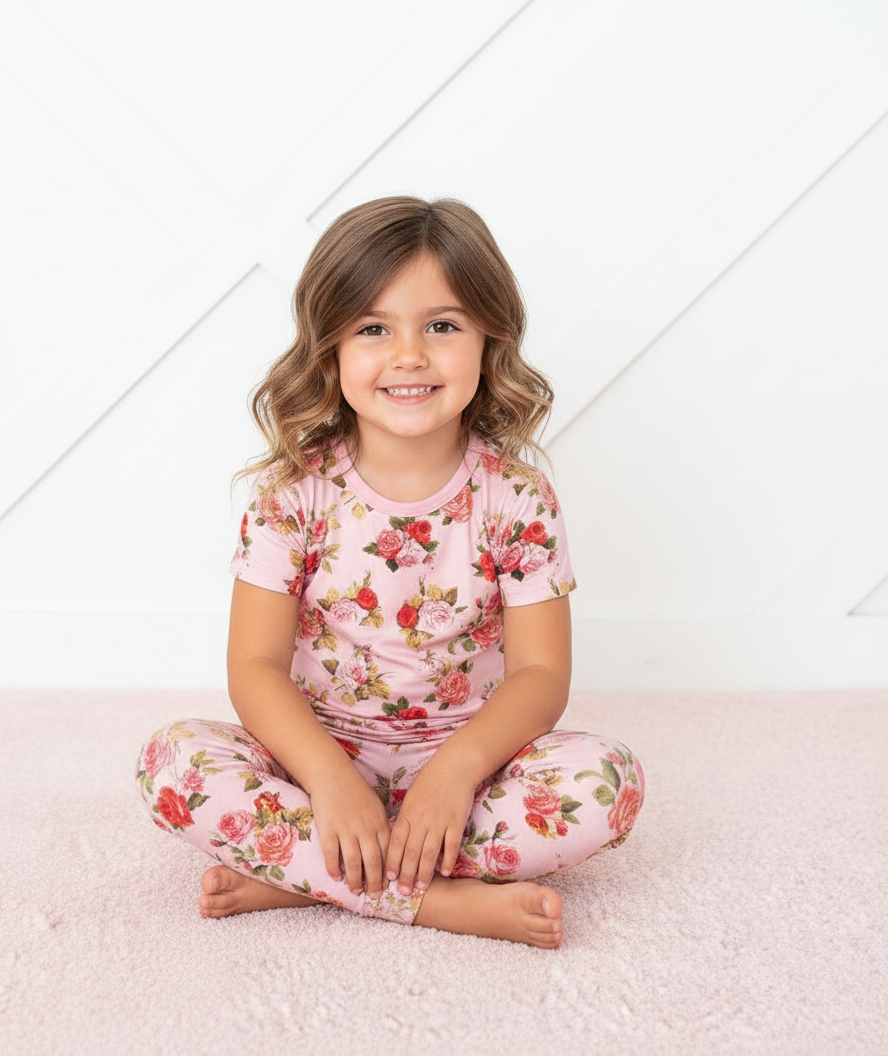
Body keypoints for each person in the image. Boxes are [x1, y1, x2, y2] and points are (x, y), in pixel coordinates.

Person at [136, 197, 644, 949]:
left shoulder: (518, 497)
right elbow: (255, 665)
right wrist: (329, 782)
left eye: (442, 326)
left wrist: (455, 774)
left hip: (470, 776)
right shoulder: (292, 495)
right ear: (330, 349)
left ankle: (304, 878)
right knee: (171, 761)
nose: (409, 355)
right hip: (315, 767)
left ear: (489, 340)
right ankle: (440, 901)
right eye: (374, 328)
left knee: (610, 782)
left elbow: (541, 674)